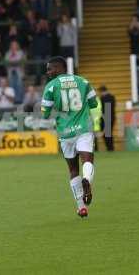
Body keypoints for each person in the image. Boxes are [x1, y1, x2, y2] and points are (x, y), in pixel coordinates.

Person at [41, 57, 98, 218]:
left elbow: (45, 114)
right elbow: (94, 104)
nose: (48, 72)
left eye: (50, 69)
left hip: (65, 133)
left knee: (73, 169)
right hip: (83, 128)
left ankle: (81, 207)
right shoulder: (83, 82)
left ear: (59, 68)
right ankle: (87, 180)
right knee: (87, 160)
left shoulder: (51, 87)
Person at [98, 85, 116, 152]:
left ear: (102, 91)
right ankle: (110, 148)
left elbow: (106, 108)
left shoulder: (104, 98)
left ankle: (110, 148)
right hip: (111, 117)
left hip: (107, 117)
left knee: (107, 135)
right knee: (108, 134)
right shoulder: (112, 97)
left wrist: (104, 118)